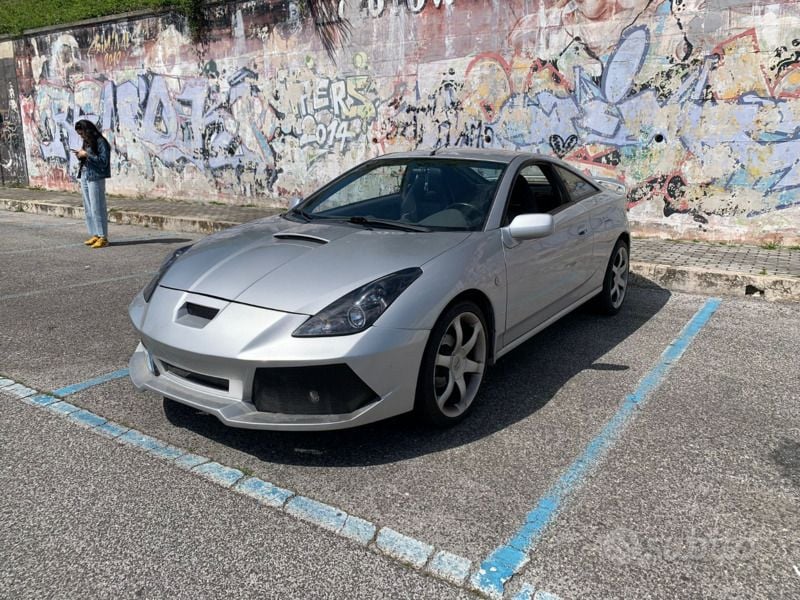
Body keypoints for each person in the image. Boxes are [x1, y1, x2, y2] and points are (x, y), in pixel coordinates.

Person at [73, 120, 111, 248]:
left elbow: (104, 161)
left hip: (96, 176)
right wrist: (80, 155)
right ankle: (95, 234)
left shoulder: (101, 142)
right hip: (85, 174)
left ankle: (103, 237)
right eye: (79, 134)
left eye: (82, 133)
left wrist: (87, 155)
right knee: (88, 207)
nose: (81, 136)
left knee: (97, 207)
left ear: (88, 130)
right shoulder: (87, 142)